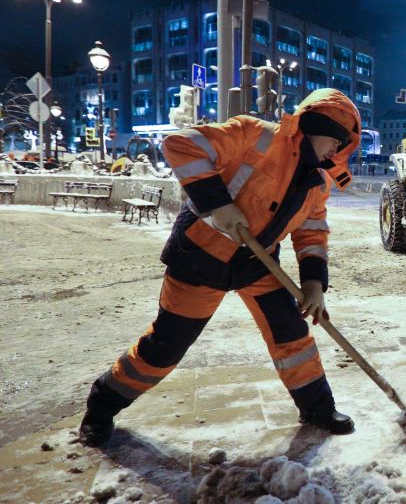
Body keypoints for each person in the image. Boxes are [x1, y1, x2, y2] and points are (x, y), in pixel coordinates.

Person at [78, 88, 362, 447]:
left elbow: (312, 232)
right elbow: (181, 145)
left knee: (292, 337)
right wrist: (218, 205)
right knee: (165, 347)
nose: (336, 151)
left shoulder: (317, 183)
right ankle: (101, 406)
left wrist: (315, 283)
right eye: (336, 140)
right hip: (201, 256)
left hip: (258, 263)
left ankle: (318, 408)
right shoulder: (255, 135)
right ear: (315, 125)